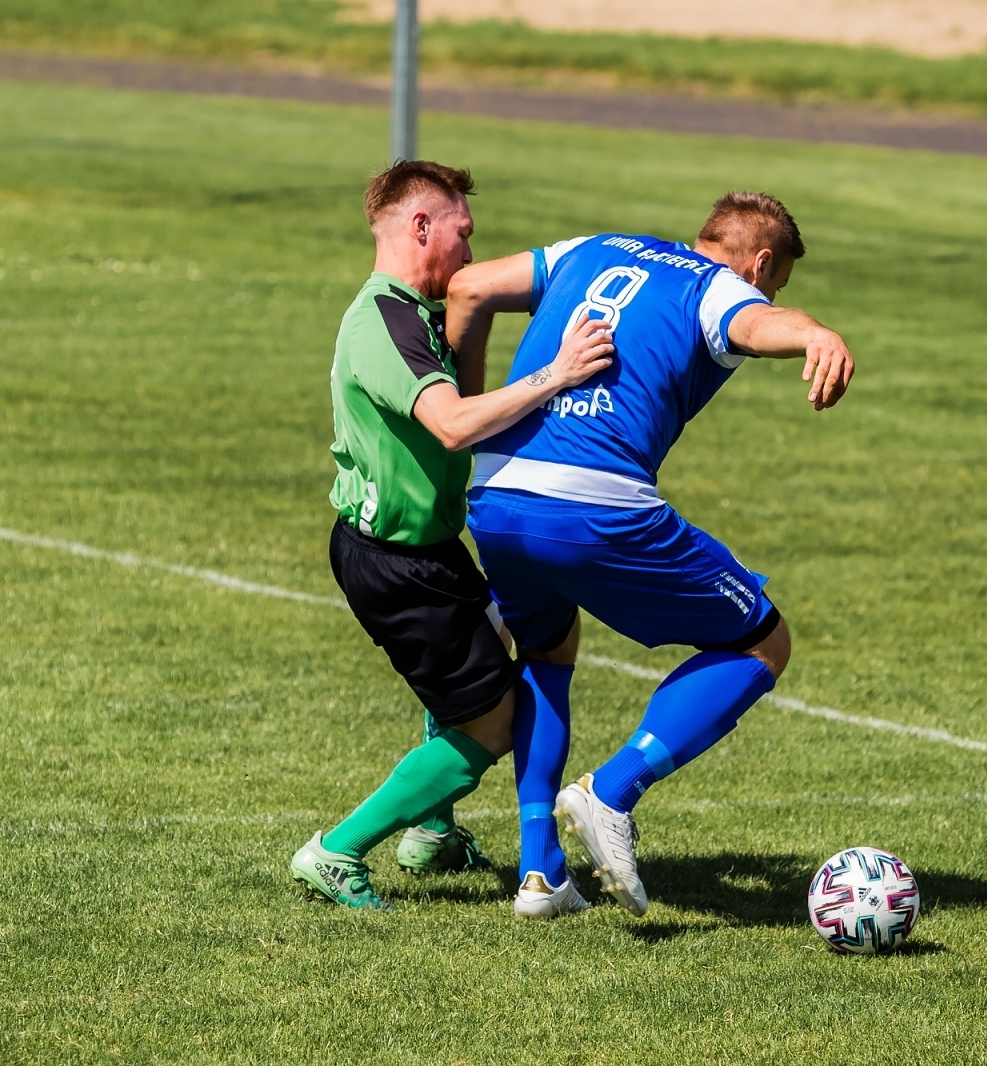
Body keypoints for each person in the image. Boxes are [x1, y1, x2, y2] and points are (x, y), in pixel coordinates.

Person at [444, 190, 855, 917]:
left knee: (548, 648)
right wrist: (815, 332)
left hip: (498, 495)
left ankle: (540, 874)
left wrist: (473, 412)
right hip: (593, 505)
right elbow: (760, 323)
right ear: (759, 262)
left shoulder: (593, 247)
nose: (771, 290)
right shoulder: (719, 288)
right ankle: (612, 791)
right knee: (762, 641)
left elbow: (468, 287)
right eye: (778, 278)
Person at [289, 160, 615, 910]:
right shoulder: (383, 319)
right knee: (494, 723)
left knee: (487, 654)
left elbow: (464, 405)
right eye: (462, 234)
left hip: (425, 550)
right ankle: (335, 851)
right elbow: (453, 422)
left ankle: (431, 833)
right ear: (420, 226)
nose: (470, 252)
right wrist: (558, 373)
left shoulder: (416, 312)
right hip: (394, 564)